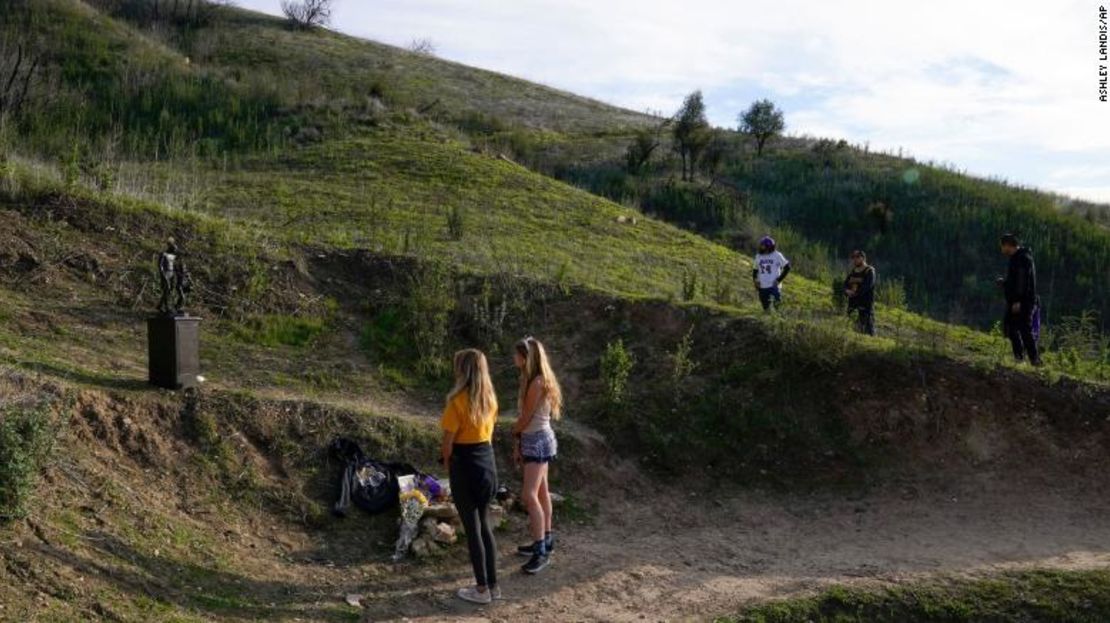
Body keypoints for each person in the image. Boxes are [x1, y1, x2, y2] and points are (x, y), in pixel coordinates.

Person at [441, 349, 501, 604]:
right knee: (486, 527)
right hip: (487, 465)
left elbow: (447, 443)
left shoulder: (457, 402)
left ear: (463, 371)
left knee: (472, 529)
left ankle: (480, 589)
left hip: (464, 466)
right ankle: (493, 585)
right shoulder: (490, 400)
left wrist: (447, 464)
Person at [511, 336, 563, 575]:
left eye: (517, 354)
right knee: (541, 493)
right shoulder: (532, 379)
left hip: (538, 441)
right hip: (537, 439)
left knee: (529, 495)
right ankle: (545, 540)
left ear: (526, 358)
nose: (514, 358)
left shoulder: (536, 383)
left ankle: (541, 551)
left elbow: (526, 418)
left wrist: (514, 432)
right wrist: (518, 440)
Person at [998, 233, 1042, 366]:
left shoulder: (1023, 258)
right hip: (1017, 301)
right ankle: (1020, 358)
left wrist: (1017, 300)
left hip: (1023, 302)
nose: (1001, 249)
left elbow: (1022, 281)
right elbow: (1015, 281)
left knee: (1024, 329)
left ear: (1008, 245)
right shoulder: (1016, 258)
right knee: (1011, 328)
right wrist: (1005, 283)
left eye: (1002, 246)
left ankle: (1035, 360)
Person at [752, 236, 791, 311]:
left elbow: (787, 267)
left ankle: (779, 321)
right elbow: (755, 270)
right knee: (766, 309)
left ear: (768, 246)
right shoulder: (758, 256)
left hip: (774, 286)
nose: (761, 247)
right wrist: (755, 280)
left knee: (777, 308)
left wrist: (779, 280)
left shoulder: (777, 255)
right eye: (761, 245)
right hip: (762, 286)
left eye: (763, 246)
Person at [843, 250, 877, 336]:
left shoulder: (869, 271)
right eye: (853, 257)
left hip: (865, 306)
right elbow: (845, 284)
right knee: (852, 328)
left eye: (857, 257)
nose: (855, 259)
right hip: (853, 305)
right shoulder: (853, 272)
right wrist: (847, 291)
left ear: (863, 258)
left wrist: (855, 293)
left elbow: (867, 286)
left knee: (867, 330)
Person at [157, 239, 190, 315]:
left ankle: (160, 305)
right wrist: (163, 275)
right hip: (166, 273)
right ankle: (166, 307)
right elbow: (160, 266)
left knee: (170, 289)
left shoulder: (173, 256)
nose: (175, 250)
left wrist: (179, 273)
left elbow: (175, 266)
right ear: (171, 247)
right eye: (174, 249)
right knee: (167, 289)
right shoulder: (163, 254)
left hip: (172, 273)